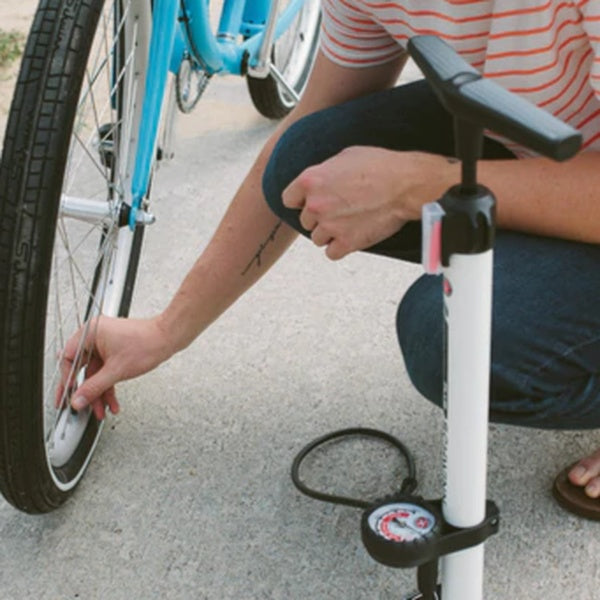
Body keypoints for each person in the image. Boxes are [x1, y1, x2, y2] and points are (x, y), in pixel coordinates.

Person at [59, 0, 600, 520]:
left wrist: (421, 185)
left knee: (454, 340)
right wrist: (166, 330)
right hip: (546, 143)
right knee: (305, 157)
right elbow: (308, 123)